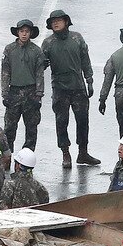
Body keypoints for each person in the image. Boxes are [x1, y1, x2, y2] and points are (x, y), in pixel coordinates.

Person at [41, 9, 99, 169]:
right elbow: (40, 66)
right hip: (60, 88)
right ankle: (65, 153)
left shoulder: (77, 38)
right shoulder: (48, 43)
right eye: (53, 21)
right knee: (61, 121)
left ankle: (83, 152)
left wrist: (89, 80)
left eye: (59, 20)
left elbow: (85, 60)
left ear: (66, 22)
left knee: (82, 120)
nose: (56, 23)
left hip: (78, 87)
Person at [1, 19, 45, 151]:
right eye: (21, 31)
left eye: (26, 31)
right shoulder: (9, 50)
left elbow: (39, 73)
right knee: (9, 127)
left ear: (31, 33)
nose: (24, 34)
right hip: (14, 92)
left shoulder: (36, 51)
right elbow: (5, 72)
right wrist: (5, 93)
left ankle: (27, 158)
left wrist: (39, 94)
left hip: (31, 92)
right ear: (17, 33)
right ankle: (7, 157)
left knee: (31, 128)